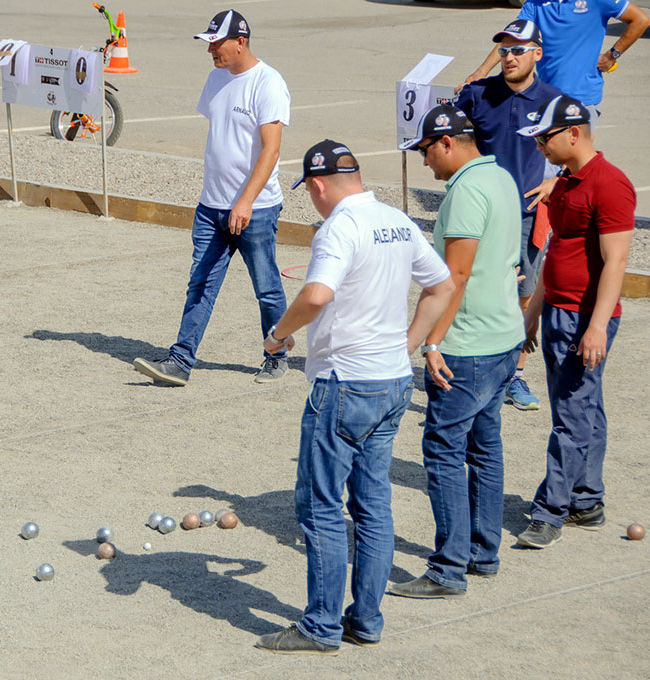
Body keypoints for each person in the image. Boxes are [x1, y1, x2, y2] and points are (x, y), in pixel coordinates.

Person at [254, 141, 454, 654]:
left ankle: (320, 626)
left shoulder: (339, 226)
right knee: (373, 506)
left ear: (318, 185)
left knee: (320, 507)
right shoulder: (396, 220)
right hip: (391, 382)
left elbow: (317, 293)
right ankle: (365, 619)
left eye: (310, 192)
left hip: (345, 383)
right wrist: (407, 344)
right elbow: (443, 285)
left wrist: (278, 334)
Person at [388, 105, 524, 599]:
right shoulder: (502, 177)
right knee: (485, 450)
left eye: (426, 150)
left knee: (444, 452)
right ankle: (482, 553)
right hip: (503, 337)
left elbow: (455, 276)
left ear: (446, 142)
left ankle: (447, 569)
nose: (425, 162)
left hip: (466, 347)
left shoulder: (465, 190)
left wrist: (432, 341)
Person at [132, 9, 291, 386]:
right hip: (211, 207)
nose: (211, 51)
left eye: (216, 44)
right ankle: (181, 361)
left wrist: (245, 201)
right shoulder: (215, 79)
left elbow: (270, 151)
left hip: (256, 209)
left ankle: (277, 356)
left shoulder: (268, 83)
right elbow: (223, 138)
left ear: (241, 42)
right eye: (209, 44)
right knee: (200, 284)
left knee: (266, 288)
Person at [514, 96, 635, 549]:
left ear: (573, 132)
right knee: (585, 408)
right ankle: (586, 499)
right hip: (558, 314)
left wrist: (597, 325)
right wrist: (532, 315)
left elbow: (616, 261)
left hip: (585, 317)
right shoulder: (563, 184)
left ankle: (551, 511)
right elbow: (555, 254)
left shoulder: (610, 184)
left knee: (570, 413)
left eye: (544, 138)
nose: (539, 147)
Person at [456, 20, 562, 411]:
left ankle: (513, 374)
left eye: (518, 50)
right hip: (480, 213)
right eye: (504, 50)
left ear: (537, 53)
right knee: (470, 289)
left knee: (521, 294)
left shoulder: (553, 100)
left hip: (527, 214)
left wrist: (557, 182)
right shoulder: (477, 94)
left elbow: (579, 149)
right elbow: (449, 143)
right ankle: (472, 371)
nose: (509, 57)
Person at [459, 0, 650, 119]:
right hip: (544, 97)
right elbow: (511, 40)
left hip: (582, 98)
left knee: (572, 167)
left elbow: (641, 19)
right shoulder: (535, 4)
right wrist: (481, 72)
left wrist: (612, 55)